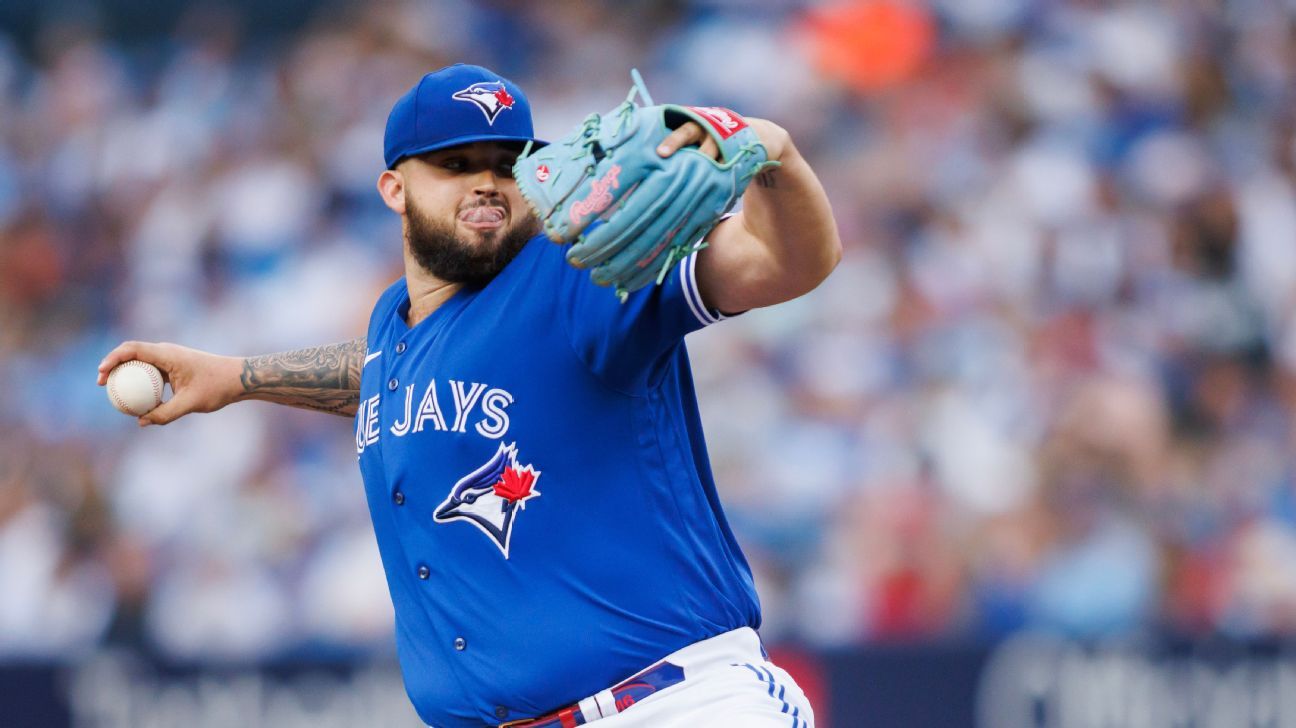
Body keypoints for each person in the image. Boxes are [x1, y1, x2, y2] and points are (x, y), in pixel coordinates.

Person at [98, 63, 840, 728]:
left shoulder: (580, 271)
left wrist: (771, 150)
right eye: (455, 164)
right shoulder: (397, 322)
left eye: (509, 163)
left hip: (672, 705)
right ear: (394, 187)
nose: (488, 181)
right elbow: (397, 375)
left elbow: (785, 261)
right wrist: (236, 378)